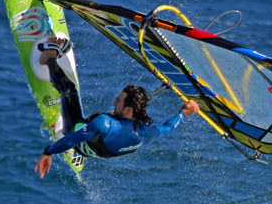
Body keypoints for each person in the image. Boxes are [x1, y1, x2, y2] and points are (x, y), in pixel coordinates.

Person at [34, 36, 200, 178]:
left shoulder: (105, 123)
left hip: (78, 135)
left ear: (129, 110)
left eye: (119, 101)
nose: (114, 102)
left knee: (69, 89)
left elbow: (72, 139)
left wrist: (48, 151)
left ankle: (49, 57)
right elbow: (168, 127)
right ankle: (83, 147)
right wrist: (184, 113)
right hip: (100, 151)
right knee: (99, 128)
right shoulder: (146, 133)